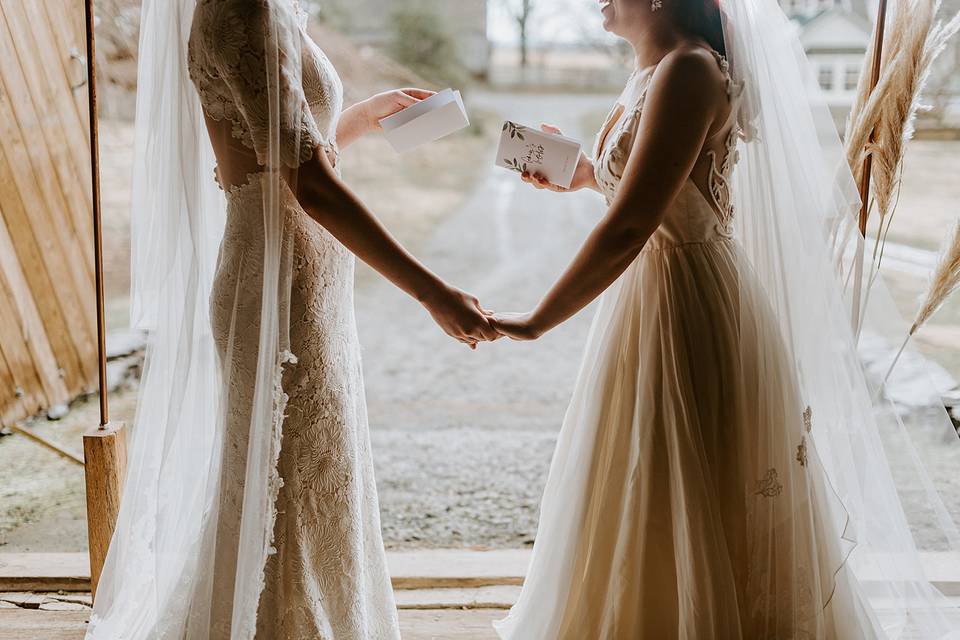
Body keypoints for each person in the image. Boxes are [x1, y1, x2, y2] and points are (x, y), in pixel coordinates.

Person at [491, 0, 960, 637]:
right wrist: (575, 172)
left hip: (684, 295)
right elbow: (653, 182)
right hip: (648, 292)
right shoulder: (655, 70)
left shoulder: (689, 70)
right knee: (643, 469)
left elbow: (634, 222)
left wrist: (538, 319)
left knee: (689, 469)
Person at [86, 1, 495, 638]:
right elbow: (309, 182)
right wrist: (431, 290)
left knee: (310, 476)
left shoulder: (264, 8)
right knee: (280, 484)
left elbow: (283, 150)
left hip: (307, 277)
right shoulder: (242, 8)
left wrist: (363, 114)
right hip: (276, 280)